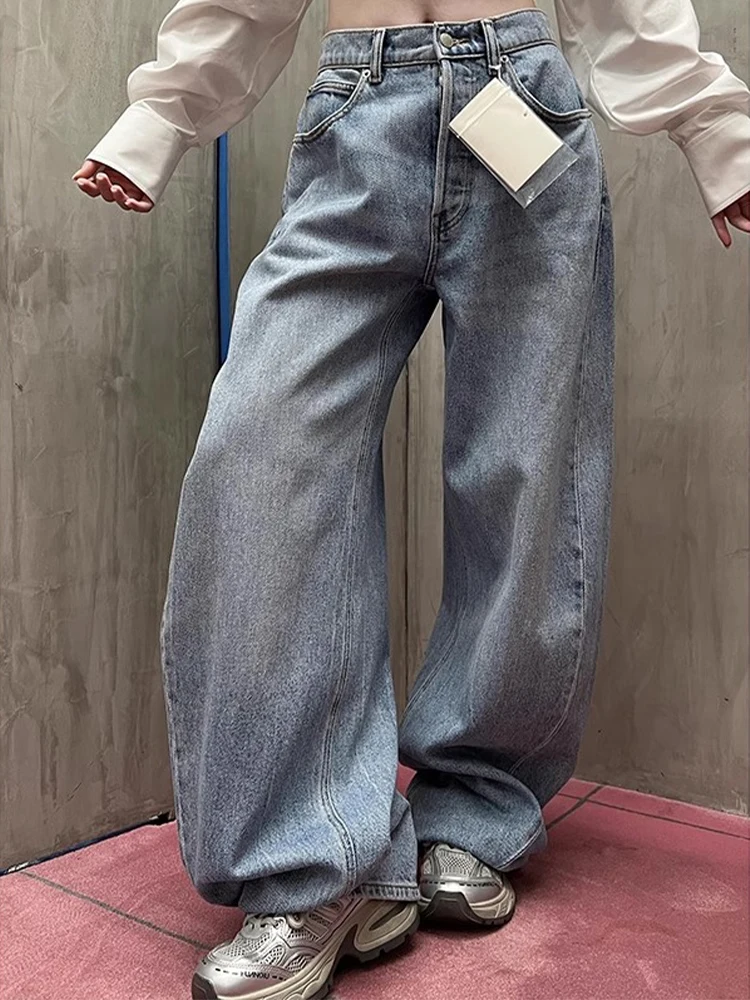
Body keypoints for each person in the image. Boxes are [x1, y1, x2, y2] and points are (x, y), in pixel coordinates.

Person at [73, 2, 750, 998]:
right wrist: (165, 112)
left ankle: (475, 805)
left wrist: (715, 127)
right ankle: (316, 859)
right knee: (260, 463)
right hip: (358, 111)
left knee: (524, 485)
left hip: (526, 110)